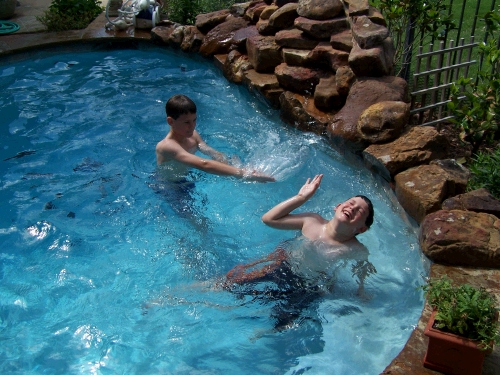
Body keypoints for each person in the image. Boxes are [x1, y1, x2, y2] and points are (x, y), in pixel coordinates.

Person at [222, 174, 376, 330]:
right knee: (230, 284)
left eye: (359, 212)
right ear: (337, 206)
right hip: (283, 267)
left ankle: (258, 336)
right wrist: (301, 197)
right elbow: (268, 219)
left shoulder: (355, 249)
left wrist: (361, 290)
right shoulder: (312, 221)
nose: (352, 208)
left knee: (282, 325)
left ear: (362, 229)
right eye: (351, 203)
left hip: (309, 286)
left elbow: (362, 266)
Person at [155, 94, 275, 182]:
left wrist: (238, 167)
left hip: (186, 178)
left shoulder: (193, 135)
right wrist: (242, 173)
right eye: (187, 122)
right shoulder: (167, 146)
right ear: (171, 121)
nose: (192, 126)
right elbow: (204, 164)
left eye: (194, 120)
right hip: (169, 186)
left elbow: (212, 153)